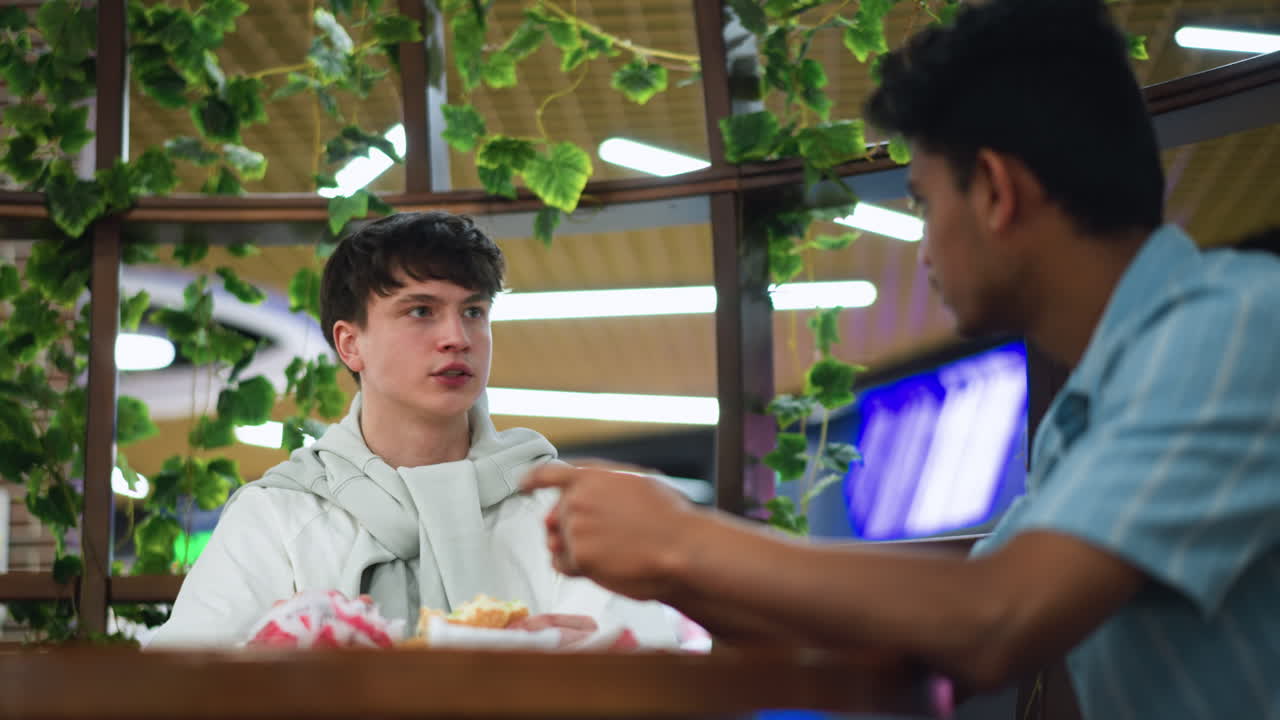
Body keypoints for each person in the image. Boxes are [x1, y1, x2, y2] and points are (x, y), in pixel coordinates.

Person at [521, 0, 1280, 717]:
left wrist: (682, 538)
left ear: (994, 191)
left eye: (923, 201)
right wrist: (665, 562)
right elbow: (938, 620)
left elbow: (996, 618)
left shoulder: (1235, 328)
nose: (923, 247)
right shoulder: (1101, 404)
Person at [149, 211, 677, 648]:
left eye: (474, 312)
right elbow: (183, 687)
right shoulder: (277, 515)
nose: (457, 337)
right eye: (421, 311)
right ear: (350, 344)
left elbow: (644, 673)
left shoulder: (560, 510)